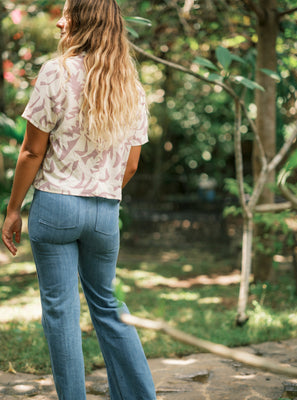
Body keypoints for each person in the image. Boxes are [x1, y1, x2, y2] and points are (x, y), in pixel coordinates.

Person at [1, 0, 157, 399]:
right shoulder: (131, 86)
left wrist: (14, 208)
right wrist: (102, 189)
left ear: (82, 21)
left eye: (67, 12)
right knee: (106, 304)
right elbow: (133, 163)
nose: (59, 20)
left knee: (61, 311)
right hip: (105, 214)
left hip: (56, 208)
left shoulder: (56, 72)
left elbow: (32, 152)